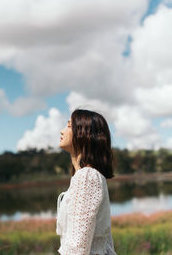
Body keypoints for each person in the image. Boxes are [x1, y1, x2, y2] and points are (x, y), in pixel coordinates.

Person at [56, 108, 117, 255]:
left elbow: (77, 246)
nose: (62, 131)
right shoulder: (86, 176)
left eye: (69, 126)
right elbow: (105, 240)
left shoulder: (87, 177)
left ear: (84, 134)